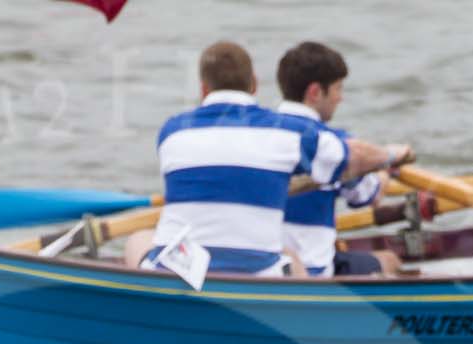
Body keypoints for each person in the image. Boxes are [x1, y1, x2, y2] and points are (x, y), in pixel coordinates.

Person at [127, 41, 401, 276]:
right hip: (260, 272)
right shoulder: (289, 134)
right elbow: (358, 162)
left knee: (138, 239)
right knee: (295, 259)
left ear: (203, 89)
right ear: (255, 85)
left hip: (182, 271)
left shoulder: (171, 131)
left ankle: (145, 292)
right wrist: (393, 156)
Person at [275, 42, 397, 277]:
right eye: (338, 89)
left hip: (268, 267)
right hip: (314, 272)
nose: (340, 98)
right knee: (390, 261)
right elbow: (367, 195)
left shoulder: (260, 132)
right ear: (315, 92)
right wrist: (386, 169)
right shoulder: (334, 145)